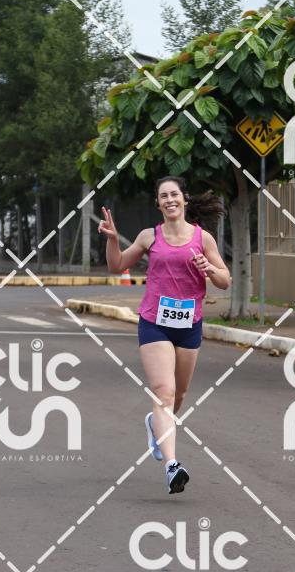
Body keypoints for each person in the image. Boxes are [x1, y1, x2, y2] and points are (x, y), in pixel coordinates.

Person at [98, 176, 231, 494]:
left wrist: (209, 269)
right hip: (154, 322)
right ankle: (172, 466)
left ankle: (155, 424)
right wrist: (113, 239)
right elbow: (117, 265)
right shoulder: (149, 236)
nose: (170, 200)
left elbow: (225, 281)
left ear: (184, 199)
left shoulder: (203, 239)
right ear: (158, 203)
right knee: (164, 392)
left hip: (189, 324)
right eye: (163, 196)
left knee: (179, 395)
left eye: (174, 194)